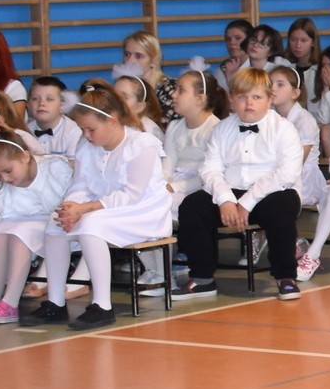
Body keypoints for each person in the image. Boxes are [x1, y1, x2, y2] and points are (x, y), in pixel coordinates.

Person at [177, 67, 307, 300]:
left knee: (282, 208)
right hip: (231, 190)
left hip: (271, 193)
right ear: (231, 99)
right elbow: (210, 169)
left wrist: (246, 202)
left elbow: (287, 173)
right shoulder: (221, 129)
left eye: (256, 97)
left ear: (269, 100)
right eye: (242, 97)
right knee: (192, 206)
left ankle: (285, 277)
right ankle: (203, 278)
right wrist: (225, 200)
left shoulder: (284, 129)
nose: (249, 103)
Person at [49, 83, 172, 328]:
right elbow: (81, 183)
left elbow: (132, 195)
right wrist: (71, 206)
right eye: (82, 129)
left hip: (144, 213)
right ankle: (55, 303)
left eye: (91, 129)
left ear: (112, 120)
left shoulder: (141, 144)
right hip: (106, 210)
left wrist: (85, 209)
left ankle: (102, 305)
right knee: (54, 224)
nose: (86, 135)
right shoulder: (87, 145)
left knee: (91, 226)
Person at [0, 132, 73, 325]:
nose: (4, 179)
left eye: (7, 171)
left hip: (58, 225)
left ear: (25, 156)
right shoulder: (2, 189)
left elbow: (70, 202)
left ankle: (10, 303)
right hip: (26, 227)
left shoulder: (54, 169)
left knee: (18, 235)